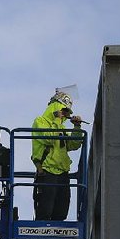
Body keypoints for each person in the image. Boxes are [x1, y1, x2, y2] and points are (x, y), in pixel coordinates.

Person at [32, 89, 84, 220]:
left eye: (66, 112)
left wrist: (76, 128)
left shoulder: (61, 128)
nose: (65, 114)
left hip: (62, 173)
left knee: (61, 212)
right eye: (63, 110)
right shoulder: (40, 121)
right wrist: (56, 120)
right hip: (47, 172)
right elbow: (48, 139)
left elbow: (74, 145)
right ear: (54, 107)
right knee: (45, 211)